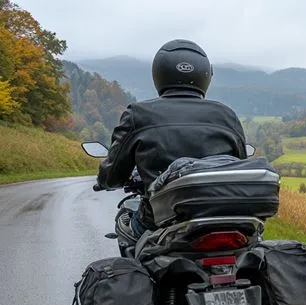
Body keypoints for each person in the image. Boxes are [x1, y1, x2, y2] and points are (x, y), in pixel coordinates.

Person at [97, 39, 247, 238]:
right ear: (205, 74)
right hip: (221, 220)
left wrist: (105, 179)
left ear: (159, 72)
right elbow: (240, 168)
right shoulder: (227, 115)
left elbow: (113, 176)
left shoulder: (138, 114)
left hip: (159, 222)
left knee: (126, 225)